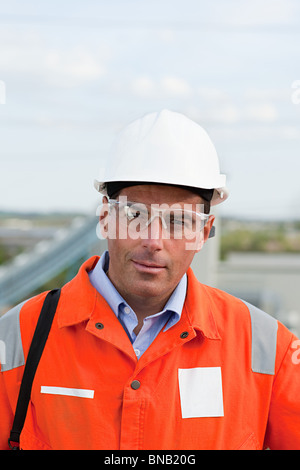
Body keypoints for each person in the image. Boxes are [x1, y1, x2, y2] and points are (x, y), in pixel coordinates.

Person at [0, 109, 299, 450]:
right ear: (105, 218)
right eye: (135, 214)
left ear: (203, 232)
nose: (154, 239)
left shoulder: (268, 347)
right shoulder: (17, 337)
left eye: (178, 220)